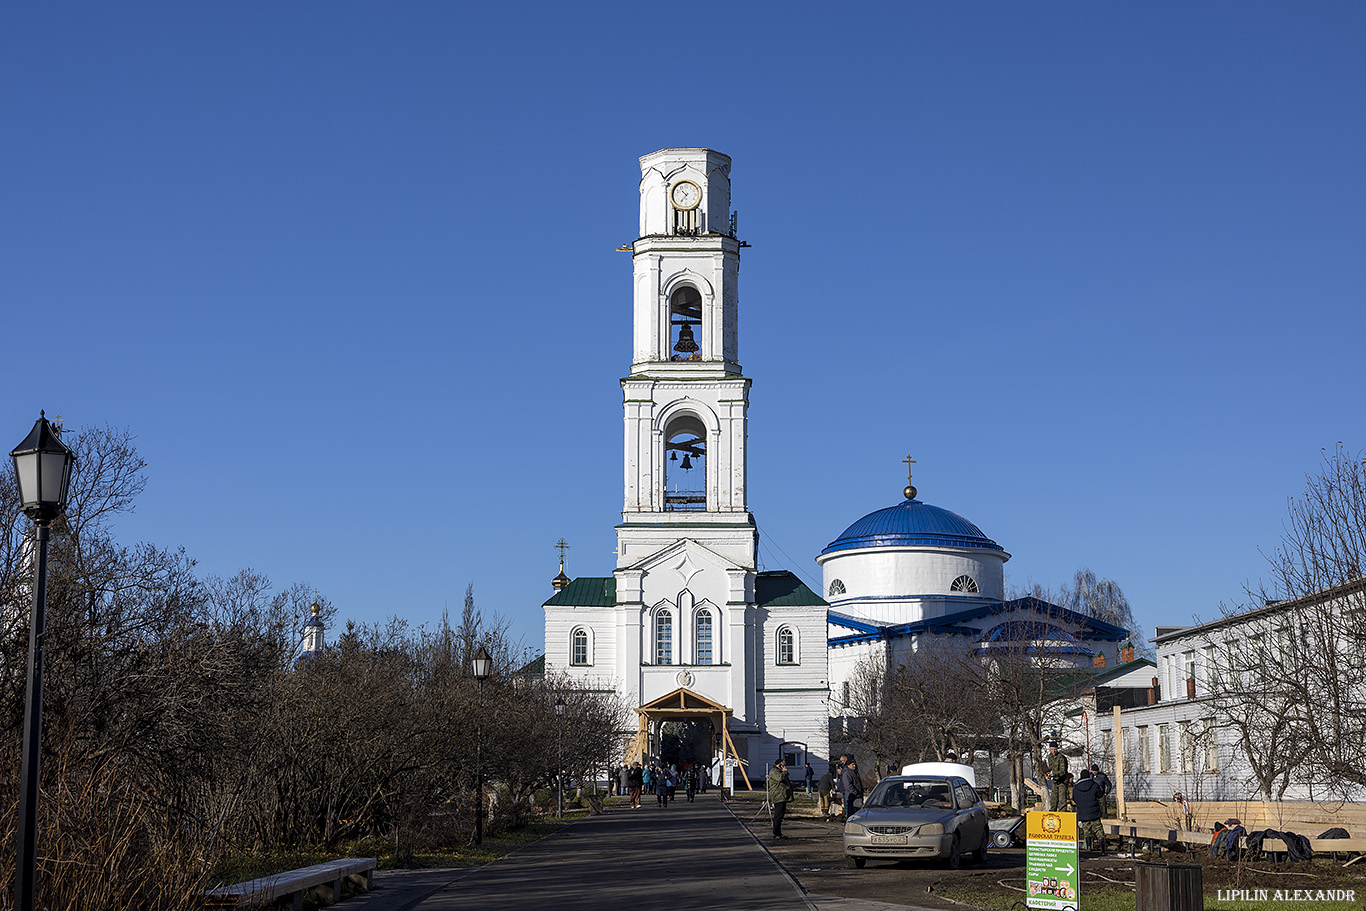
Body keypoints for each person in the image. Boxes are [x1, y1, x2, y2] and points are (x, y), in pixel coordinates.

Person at [1072, 769, 1105, 853]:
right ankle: (1103, 849)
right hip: (1094, 811)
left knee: (1087, 831)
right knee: (1098, 830)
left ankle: (1089, 848)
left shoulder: (1076, 787)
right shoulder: (1094, 784)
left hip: (1083, 813)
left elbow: (1074, 799)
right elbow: (1100, 794)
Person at [768, 758, 794, 839]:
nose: (785, 767)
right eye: (784, 765)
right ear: (779, 765)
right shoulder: (774, 771)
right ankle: (776, 833)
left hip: (782, 796)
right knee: (778, 816)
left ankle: (778, 833)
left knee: (780, 815)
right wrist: (785, 771)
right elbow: (779, 778)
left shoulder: (779, 772)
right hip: (778, 796)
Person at [1044, 743, 1069, 811]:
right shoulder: (1050, 757)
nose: (1053, 751)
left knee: (1062, 800)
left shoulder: (1061, 757)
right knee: (1053, 799)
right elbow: (1050, 767)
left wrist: (1053, 774)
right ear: (1049, 748)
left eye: (1055, 749)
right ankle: (1052, 813)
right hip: (1055, 781)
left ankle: (1062, 814)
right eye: (1052, 749)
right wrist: (1046, 772)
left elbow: (1063, 771)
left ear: (1057, 749)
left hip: (1062, 781)